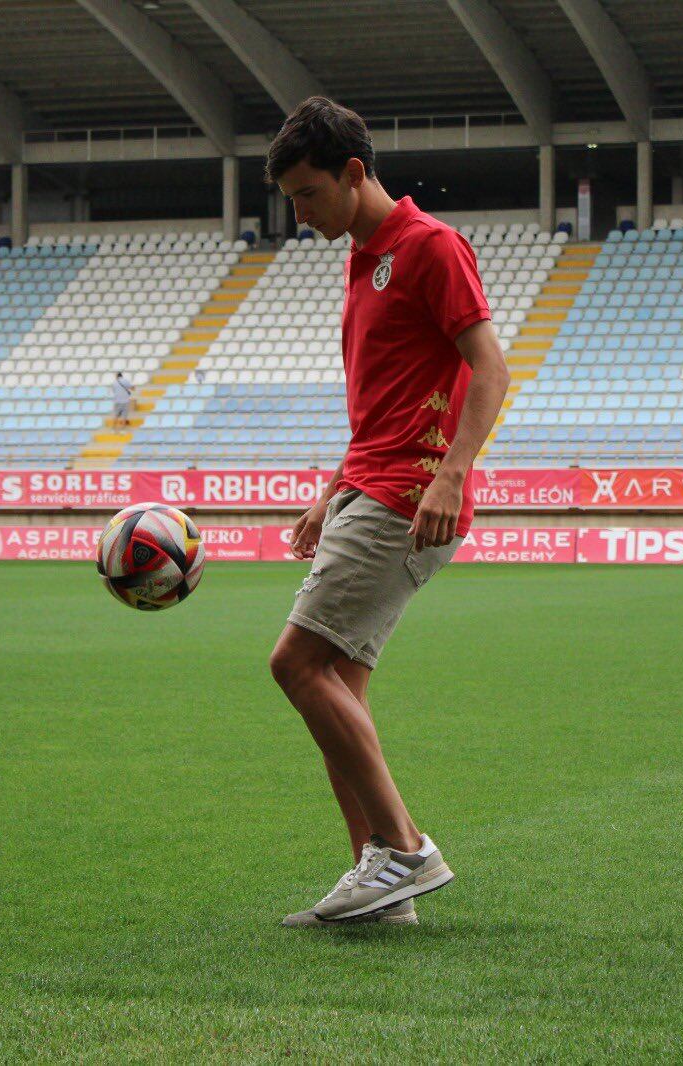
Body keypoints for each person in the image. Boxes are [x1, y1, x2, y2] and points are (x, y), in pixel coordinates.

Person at [265, 98, 510, 927]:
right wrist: (330, 492)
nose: (299, 215)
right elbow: (382, 403)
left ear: (354, 173)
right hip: (370, 484)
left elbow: (490, 365)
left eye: (306, 195)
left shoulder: (429, 246)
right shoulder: (360, 255)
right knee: (339, 695)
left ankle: (404, 850)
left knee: (296, 665)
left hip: (408, 492)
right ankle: (379, 892)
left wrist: (452, 473)